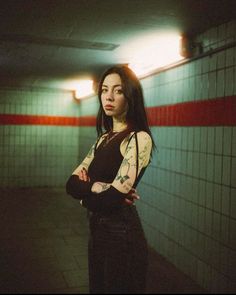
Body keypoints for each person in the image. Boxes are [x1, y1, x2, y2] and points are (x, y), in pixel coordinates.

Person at [66, 65, 155, 294]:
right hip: (97, 229)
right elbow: (71, 183)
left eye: (118, 90)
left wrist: (85, 198)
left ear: (130, 95)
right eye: (105, 90)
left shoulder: (138, 138)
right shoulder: (102, 139)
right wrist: (95, 186)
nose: (109, 96)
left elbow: (114, 198)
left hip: (122, 234)